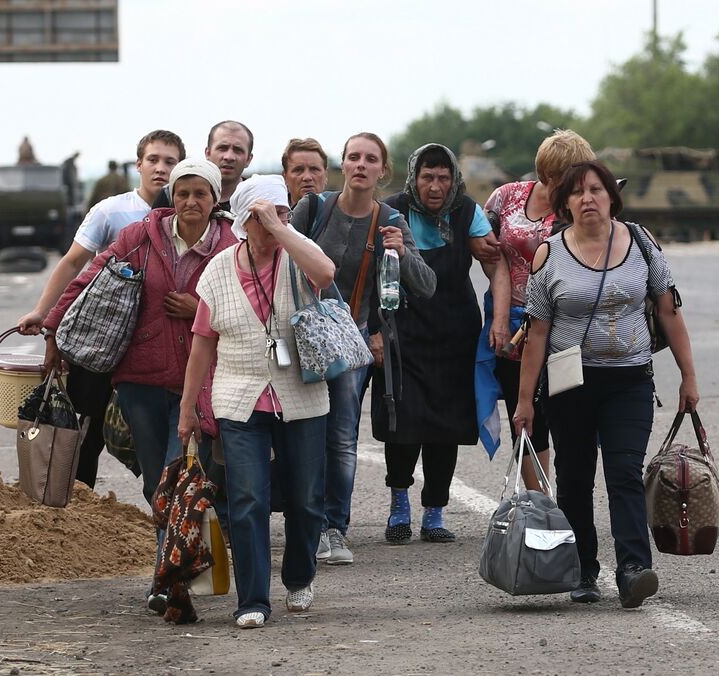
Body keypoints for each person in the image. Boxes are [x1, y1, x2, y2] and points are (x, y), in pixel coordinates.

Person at [42, 157, 237, 614]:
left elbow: (251, 306)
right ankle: (171, 578)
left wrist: (199, 310)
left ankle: (169, 584)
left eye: (201, 194)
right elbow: (86, 281)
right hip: (140, 380)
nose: (191, 201)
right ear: (172, 195)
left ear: (214, 199)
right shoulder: (140, 238)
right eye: (183, 193)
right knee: (158, 484)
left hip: (200, 383)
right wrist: (53, 328)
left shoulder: (231, 245)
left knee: (179, 476)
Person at [513, 160, 699, 609]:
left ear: (611, 197)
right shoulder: (549, 254)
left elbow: (669, 311)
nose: (588, 198)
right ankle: (583, 570)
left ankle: (634, 568)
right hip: (569, 383)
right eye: (577, 192)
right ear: (565, 203)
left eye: (596, 189)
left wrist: (689, 377)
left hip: (630, 381)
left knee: (623, 473)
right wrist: (524, 401)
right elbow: (537, 332)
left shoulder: (641, 244)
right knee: (575, 478)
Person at [178, 174, 335, 629]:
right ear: (245, 221)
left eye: (283, 212)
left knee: (307, 499)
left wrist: (284, 228)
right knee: (248, 499)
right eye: (266, 215)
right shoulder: (220, 269)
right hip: (239, 399)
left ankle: (300, 573)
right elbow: (202, 344)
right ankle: (252, 599)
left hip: (301, 396)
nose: (276, 221)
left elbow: (326, 274)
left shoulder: (297, 254)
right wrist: (189, 408)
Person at [290, 132, 436, 565]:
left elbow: (426, 286)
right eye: (353, 157)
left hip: (350, 347)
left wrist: (402, 254)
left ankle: (334, 529)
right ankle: (305, 525)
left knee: (340, 439)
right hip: (301, 339)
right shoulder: (313, 209)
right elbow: (279, 264)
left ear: (382, 171)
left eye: (369, 159)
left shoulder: (390, 218)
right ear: (343, 165)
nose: (360, 165)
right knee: (301, 436)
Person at [17, 130, 185, 488]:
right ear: (138, 164)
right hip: (100, 342)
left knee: (153, 444)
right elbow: (73, 263)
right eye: (153, 159)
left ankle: (164, 526)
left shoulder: (189, 214)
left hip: (155, 346)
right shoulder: (111, 210)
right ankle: (78, 514)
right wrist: (43, 314)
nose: (161, 168)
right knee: (84, 435)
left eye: (170, 161)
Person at [377, 143, 491, 543]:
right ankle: (399, 507)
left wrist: (503, 317)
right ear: (414, 177)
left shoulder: (466, 212)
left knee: (445, 428)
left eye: (444, 176)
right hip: (403, 334)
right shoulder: (391, 209)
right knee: (402, 426)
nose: (436, 185)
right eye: (428, 176)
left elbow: (494, 260)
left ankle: (435, 512)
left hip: (454, 335)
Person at [480, 130, 596, 488]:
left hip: (564, 328)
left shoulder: (579, 210)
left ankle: (572, 501)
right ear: (547, 174)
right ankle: (540, 504)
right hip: (511, 326)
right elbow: (486, 252)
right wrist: (500, 314)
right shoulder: (506, 198)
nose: (577, 186)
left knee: (568, 417)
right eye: (568, 177)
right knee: (527, 417)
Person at [282, 138, 328, 207]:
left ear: (325, 175)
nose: (307, 177)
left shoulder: (342, 214)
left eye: (314, 169)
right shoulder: (272, 215)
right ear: (285, 177)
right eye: (298, 170)